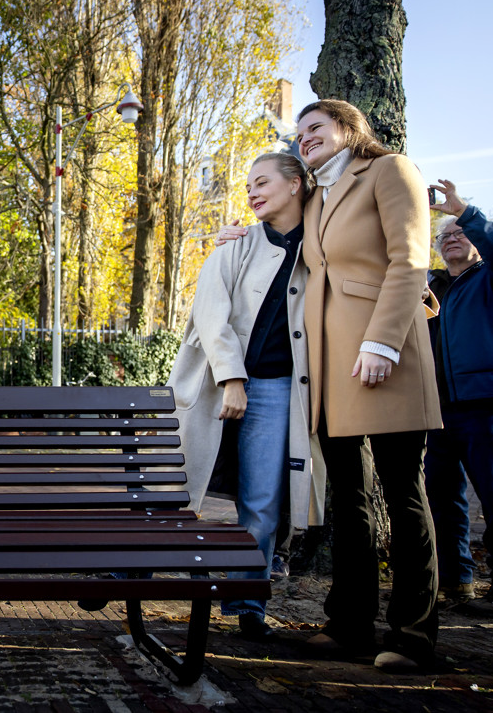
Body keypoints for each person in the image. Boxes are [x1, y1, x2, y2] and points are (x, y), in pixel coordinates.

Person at [293, 99, 442, 672]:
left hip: (387, 355)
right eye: (299, 132)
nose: (305, 138)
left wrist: (382, 342)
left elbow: (409, 262)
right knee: (347, 499)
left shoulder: (389, 170)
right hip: (330, 368)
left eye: (316, 127)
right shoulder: (317, 196)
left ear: (349, 129)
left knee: (403, 494)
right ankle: (350, 625)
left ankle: (413, 635)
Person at [165, 152, 325, 641]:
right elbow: (211, 316)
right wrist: (233, 378)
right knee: (176, 486)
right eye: (249, 184)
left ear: (296, 184)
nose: (252, 192)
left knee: (262, 499)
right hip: (215, 382)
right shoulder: (234, 245)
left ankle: (248, 598)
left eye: (263, 182)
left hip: (280, 388)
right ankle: (130, 570)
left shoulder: (320, 247)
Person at [423, 178, 493, 614]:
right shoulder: (431, 287)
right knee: (442, 499)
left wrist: (465, 212)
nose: (452, 240)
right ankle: (456, 582)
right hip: (438, 410)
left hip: (487, 405)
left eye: (459, 233)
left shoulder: (489, 278)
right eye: (444, 236)